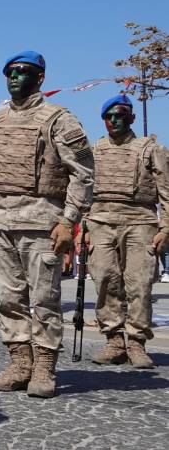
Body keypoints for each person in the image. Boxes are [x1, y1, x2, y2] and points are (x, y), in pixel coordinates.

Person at [0, 50, 94, 399]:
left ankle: (44, 367)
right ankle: (19, 363)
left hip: (43, 223)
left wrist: (69, 221)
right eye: (9, 72)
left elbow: (83, 175)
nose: (14, 77)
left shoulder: (58, 119)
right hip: (0, 223)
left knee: (44, 299)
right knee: (8, 298)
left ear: (39, 77)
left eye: (22, 71)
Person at [86, 94, 169, 369]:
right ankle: (114, 341)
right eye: (109, 117)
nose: (114, 121)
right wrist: (80, 226)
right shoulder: (94, 150)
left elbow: (166, 192)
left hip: (140, 221)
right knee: (105, 280)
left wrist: (165, 227)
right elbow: (82, 190)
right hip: (100, 220)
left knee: (139, 283)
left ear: (132, 117)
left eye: (120, 115)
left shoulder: (151, 148)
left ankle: (136, 342)